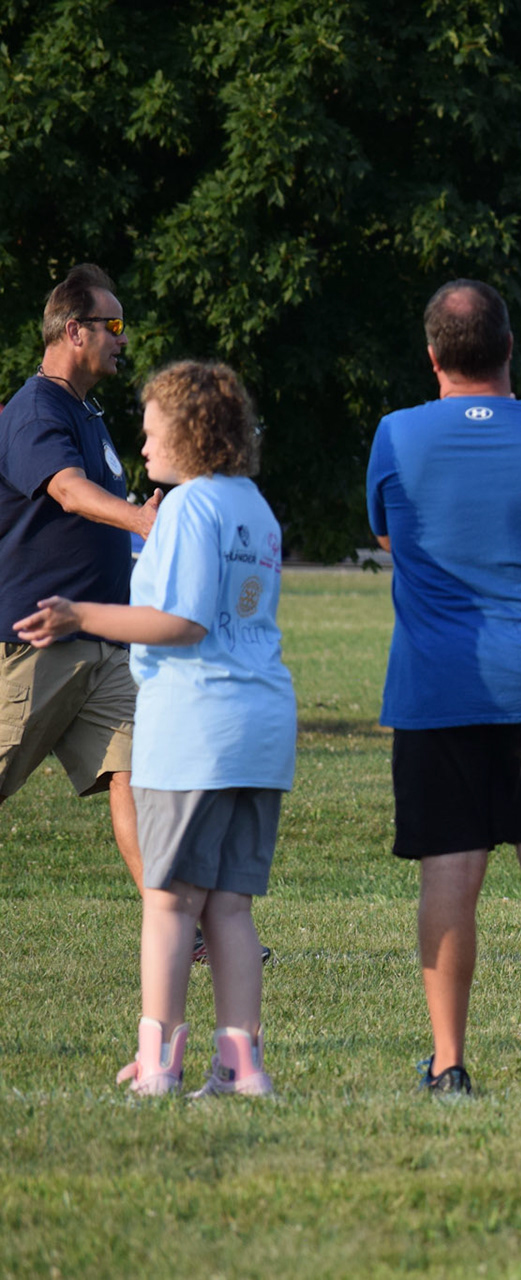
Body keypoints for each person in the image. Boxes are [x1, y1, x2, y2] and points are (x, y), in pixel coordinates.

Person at [16, 361, 293, 1097]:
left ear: (191, 433)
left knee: (169, 902)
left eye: (151, 432)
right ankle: (241, 1066)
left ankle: (159, 1065)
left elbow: (182, 621)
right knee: (230, 905)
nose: (141, 449)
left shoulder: (191, 507)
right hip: (261, 729)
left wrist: (80, 615)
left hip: (198, 728)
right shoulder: (254, 506)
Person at [367, 279, 521, 1096]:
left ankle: (449, 1064)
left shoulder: (396, 434)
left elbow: (388, 534)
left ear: (432, 356)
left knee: (448, 872)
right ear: (510, 347)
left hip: (436, 687)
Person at [1, 264, 156, 888]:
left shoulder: (85, 411)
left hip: (102, 647)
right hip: (38, 644)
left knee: (141, 775)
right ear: (74, 331)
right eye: (113, 326)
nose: (124, 338)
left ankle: (178, 924)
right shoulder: (36, 410)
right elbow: (66, 490)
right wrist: (139, 520)